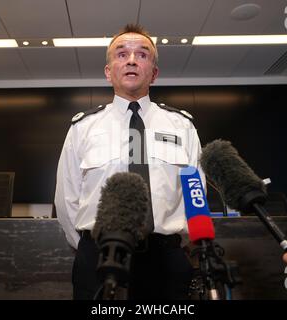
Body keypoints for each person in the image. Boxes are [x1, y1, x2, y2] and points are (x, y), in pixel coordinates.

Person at [54, 24, 205, 299]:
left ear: (154, 73)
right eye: (122, 54)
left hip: (165, 261)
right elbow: (67, 201)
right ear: (109, 72)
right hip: (98, 258)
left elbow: (196, 197)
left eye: (142, 54)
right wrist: (90, 246)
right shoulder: (82, 127)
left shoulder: (182, 126)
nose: (132, 59)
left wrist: (175, 245)